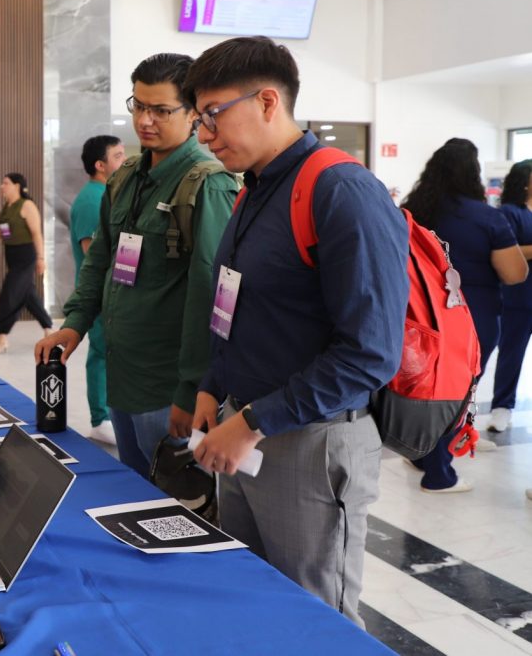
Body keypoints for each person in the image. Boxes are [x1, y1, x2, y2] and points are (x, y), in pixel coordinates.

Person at [186, 36, 409, 625]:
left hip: (310, 441)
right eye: (200, 119)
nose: (204, 135)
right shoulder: (256, 189)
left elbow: (369, 353)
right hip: (245, 428)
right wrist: (214, 385)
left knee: (315, 620)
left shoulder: (341, 190)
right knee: (255, 605)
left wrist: (252, 422)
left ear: (267, 101)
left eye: (213, 115)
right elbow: (238, 303)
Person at [35, 53, 238, 475]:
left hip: (167, 387)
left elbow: (210, 295)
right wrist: (75, 323)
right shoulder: (125, 177)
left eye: (161, 110)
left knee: (173, 502)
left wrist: (192, 389)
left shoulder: (207, 185)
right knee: (132, 494)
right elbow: (99, 261)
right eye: (139, 105)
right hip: (123, 376)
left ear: (193, 114)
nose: (145, 120)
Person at [401, 139, 526, 491]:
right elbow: (514, 273)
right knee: (459, 391)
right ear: (473, 173)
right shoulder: (487, 218)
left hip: (418, 315)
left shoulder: (412, 211)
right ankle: (438, 473)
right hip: (471, 318)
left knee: (424, 387)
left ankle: (421, 452)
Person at [70, 135, 127, 445]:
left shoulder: (106, 193)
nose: (124, 161)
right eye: (118, 156)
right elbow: (95, 253)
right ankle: (100, 418)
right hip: (102, 294)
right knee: (101, 352)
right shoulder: (93, 199)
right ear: (100, 165)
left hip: (114, 293)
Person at [0, 173, 54, 354]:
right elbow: (3, 233)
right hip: (12, 256)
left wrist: (41, 258)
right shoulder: (7, 208)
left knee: (9, 295)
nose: (2, 186)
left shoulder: (27, 205)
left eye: (6, 183)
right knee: (28, 295)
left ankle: (1, 338)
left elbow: (36, 234)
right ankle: (49, 328)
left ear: (17, 186)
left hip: (26, 257)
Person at [489, 160, 532, 433]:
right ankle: (502, 408)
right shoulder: (509, 213)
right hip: (519, 297)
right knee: (511, 354)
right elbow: (509, 251)